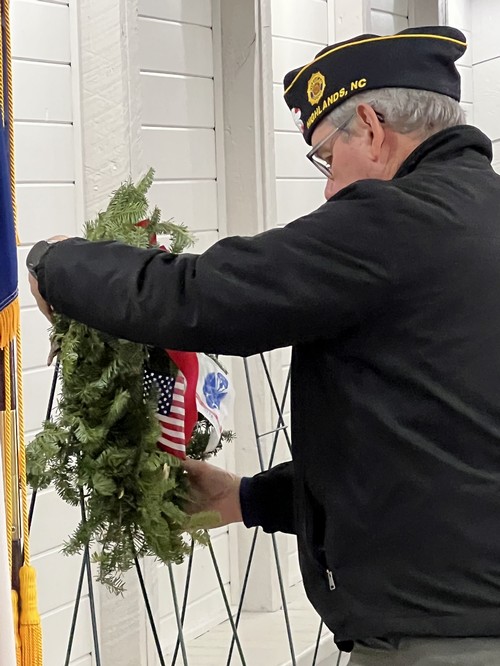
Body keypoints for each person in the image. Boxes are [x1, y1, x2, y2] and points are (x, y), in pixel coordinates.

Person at [27, 25, 500, 665]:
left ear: (372, 126)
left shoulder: (394, 221)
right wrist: (247, 499)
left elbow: (200, 297)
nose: (331, 187)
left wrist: (57, 264)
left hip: (440, 639)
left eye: (328, 158)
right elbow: (436, 442)